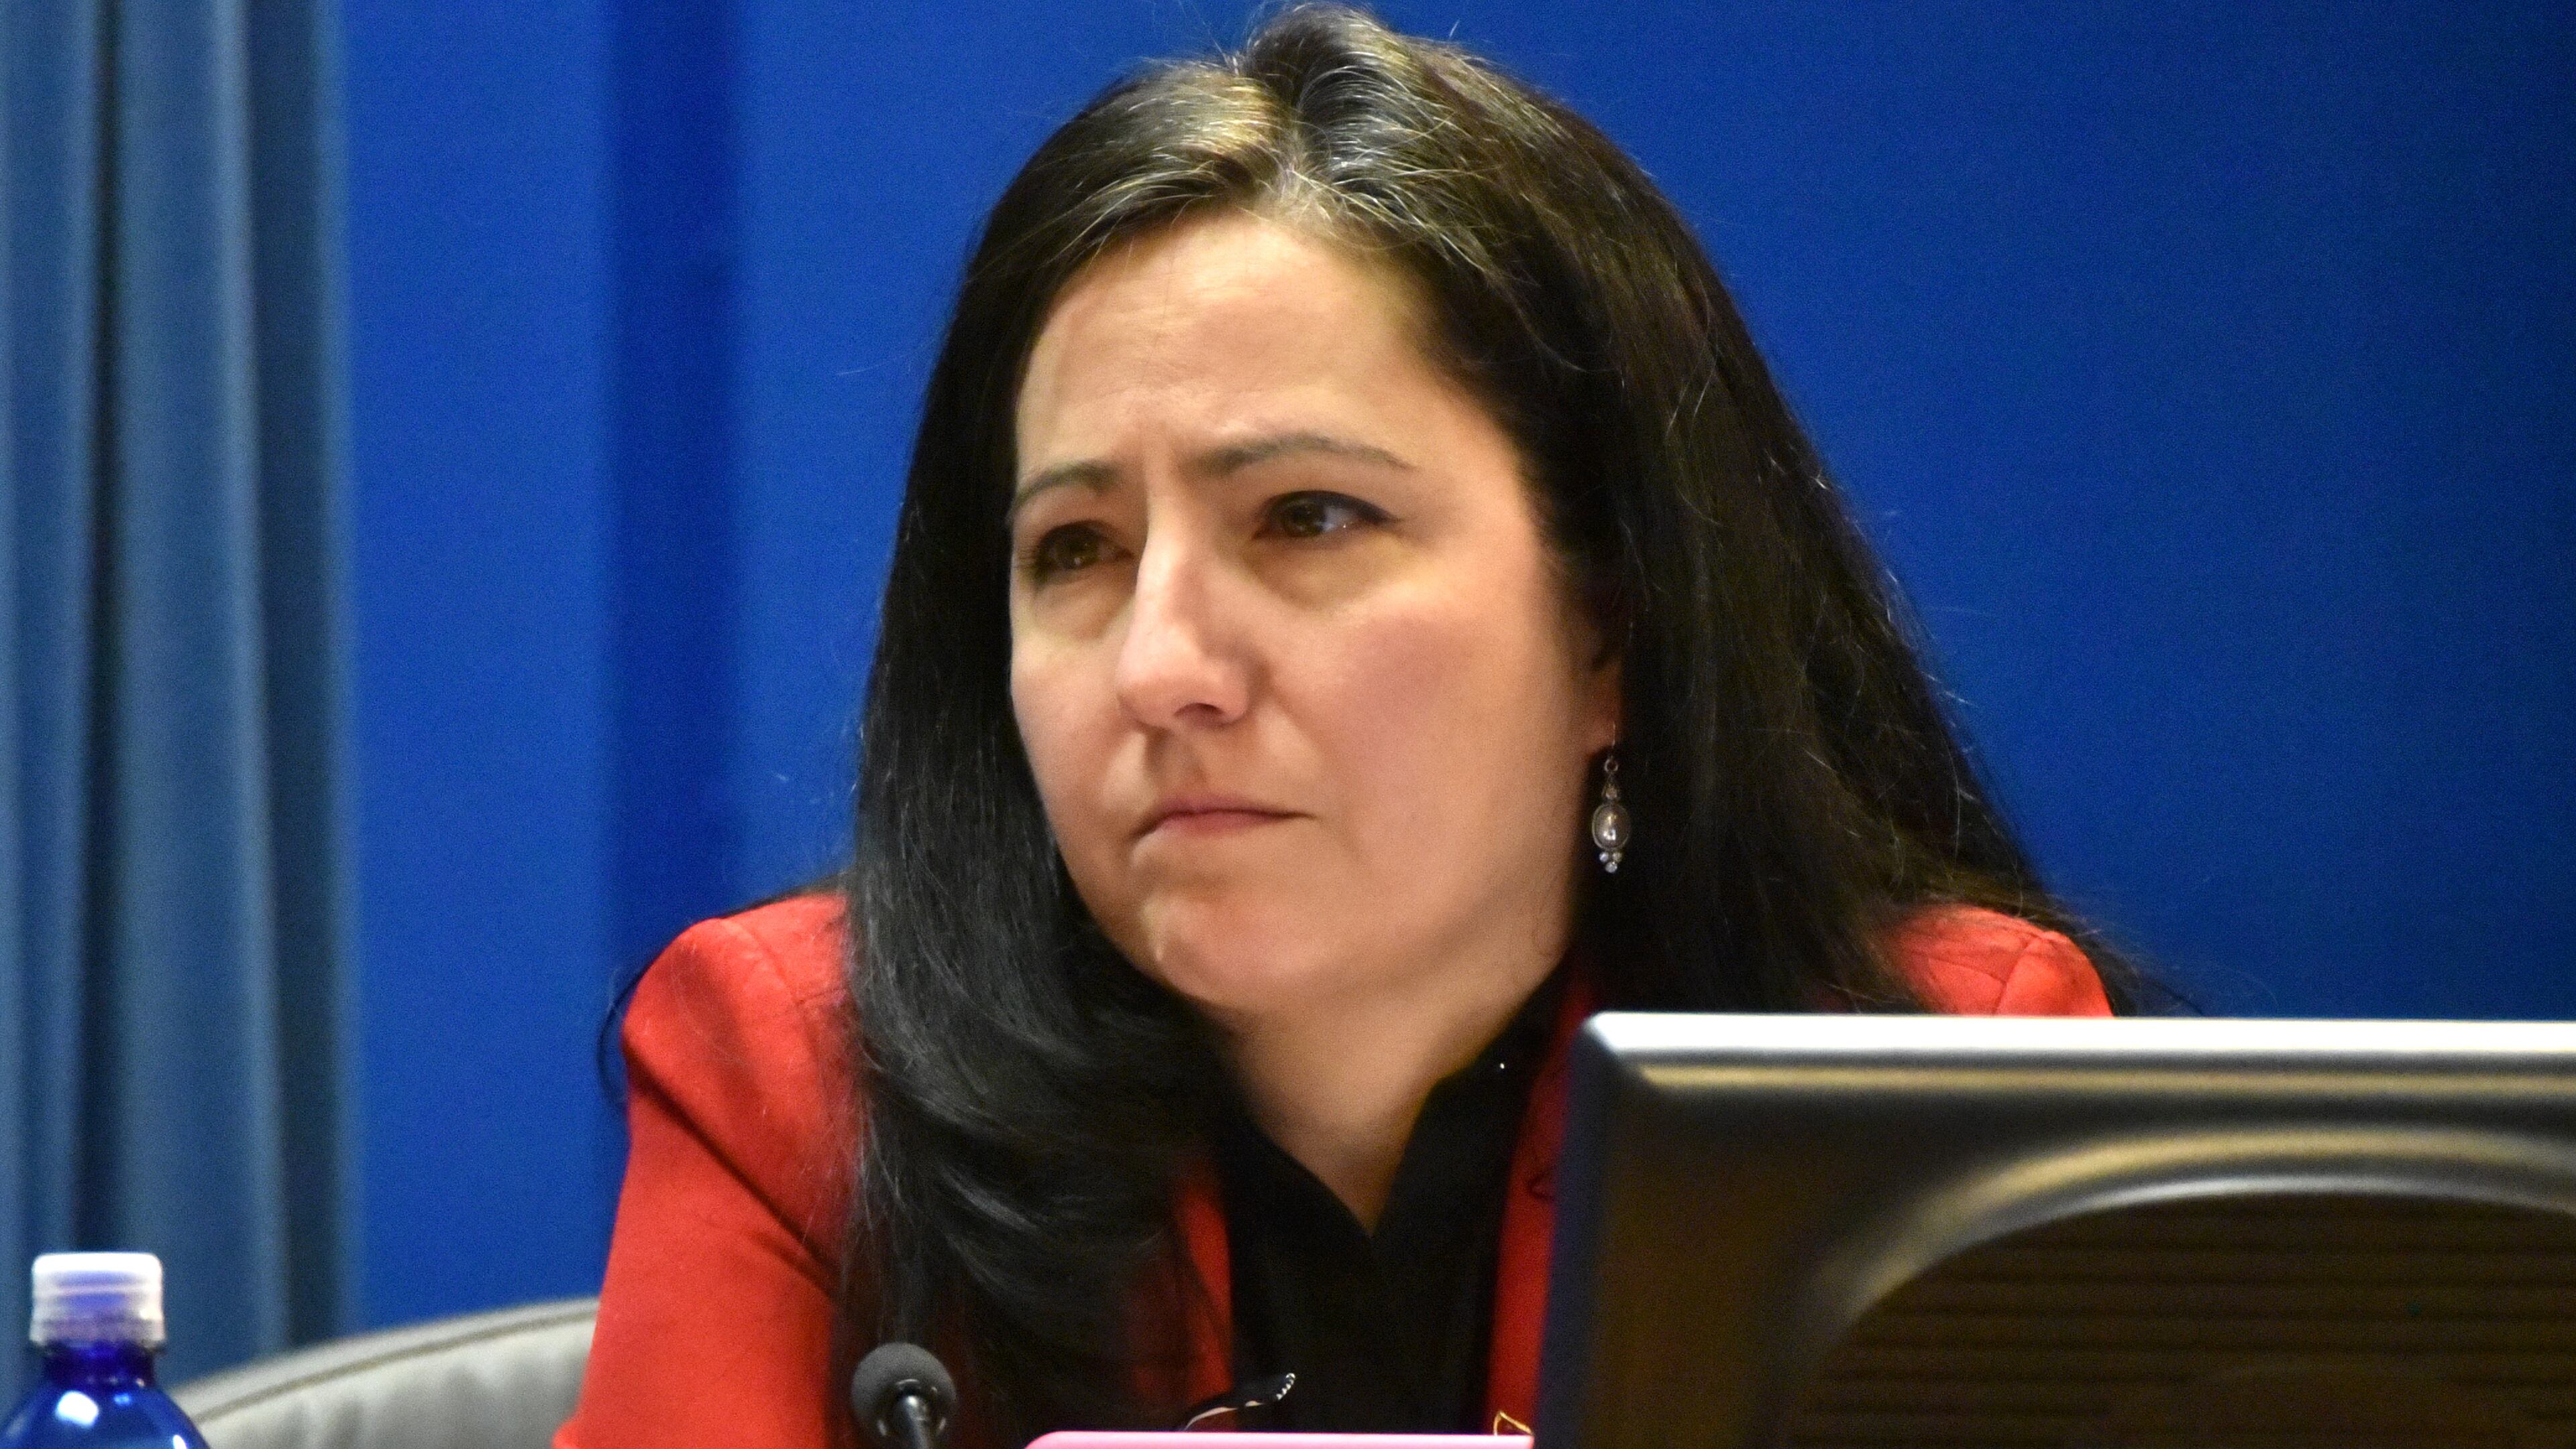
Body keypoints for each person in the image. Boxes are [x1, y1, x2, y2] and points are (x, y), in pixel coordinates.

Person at [556, 9, 2130, 1448]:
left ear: (1618, 629)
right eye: (1078, 551)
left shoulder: (1928, 1091)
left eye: (1308, 518)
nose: (1163, 663)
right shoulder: (804, 1089)